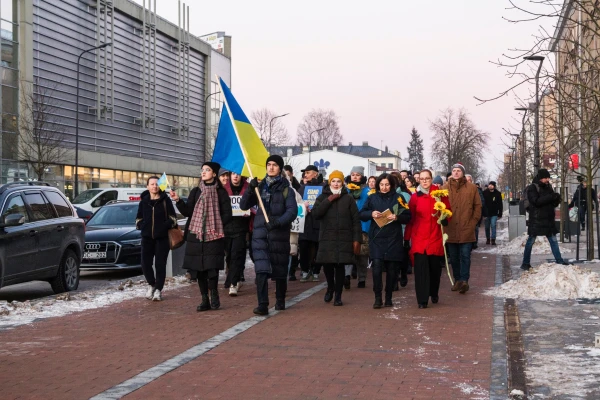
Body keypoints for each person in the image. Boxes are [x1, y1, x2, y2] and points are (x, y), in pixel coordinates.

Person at [240, 155, 297, 315]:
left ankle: (280, 299)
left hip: (278, 235)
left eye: (275, 165)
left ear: (280, 168)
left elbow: (292, 212)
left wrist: (277, 222)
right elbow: (244, 205)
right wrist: (250, 189)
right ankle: (263, 304)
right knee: (261, 270)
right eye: (269, 165)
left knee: (279, 270)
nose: (271, 168)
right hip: (260, 235)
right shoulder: (259, 187)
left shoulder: (287, 189)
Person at [172, 162, 232, 311]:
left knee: (212, 269)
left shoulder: (221, 192)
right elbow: (188, 212)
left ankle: (214, 295)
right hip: (196, 235)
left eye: (207, 170)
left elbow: (227, 214)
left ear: (214, 174)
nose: (203, 172)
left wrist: (215, 225)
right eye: (202, 170)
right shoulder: (196, 191)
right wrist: (178, 201)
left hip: (213, 235)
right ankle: (204, 299)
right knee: (199, 270)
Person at [360, 173, 411, 308]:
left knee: (392, 269)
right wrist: (371, 214)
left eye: (387, 184)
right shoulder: (372, 198)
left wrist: (397, 217)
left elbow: (408, 216)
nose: (384, 187)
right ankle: (377, 297)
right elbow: (362, 214)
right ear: (378, 185)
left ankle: (389, 297)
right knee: (376, 267)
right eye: (381, 184)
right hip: (377, 237)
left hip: (393, 238)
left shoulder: (398, 198)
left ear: (392, 185)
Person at [312, 170, 362, 306]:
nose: (335, 183)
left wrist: (357, 239)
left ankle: (338, 295)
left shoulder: (349, 198)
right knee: (327, 266)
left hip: (344, 238)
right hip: (327, 237)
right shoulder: (322, 197)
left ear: (342, 183)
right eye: (333, 181)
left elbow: (356, 220)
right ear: (329, 182)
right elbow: (316, 214)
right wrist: (328, 201)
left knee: (340, 267)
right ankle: (330, 287)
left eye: (338, 181)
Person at [404, 169, 450, 308]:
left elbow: (448, 210)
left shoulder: (439, 194)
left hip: (435, 236)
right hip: (419, 237)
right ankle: (422, 299)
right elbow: (410, 219)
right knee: (420, 269)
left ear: (431, 179)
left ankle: (433, 292)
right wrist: (406, 238)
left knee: (434, 269)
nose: (424, 181)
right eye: (422, 179)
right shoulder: (415, 197)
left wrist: (445, 218)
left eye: (427, 178)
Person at [136, 176, 178, 302]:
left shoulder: (166, 201)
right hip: (147, 238)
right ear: (147, 186)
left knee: (160, 265)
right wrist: (142, 226)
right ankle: (151, 284)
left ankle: (159, 290)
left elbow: (173, 218)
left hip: (162, 239)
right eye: (152, 184)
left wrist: (163, 227)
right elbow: (138, 218)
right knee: (145, 264)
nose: (155, 186)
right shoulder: (143, 202)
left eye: (157, 184)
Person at [521, 169, 570, 271]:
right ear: (540, 178)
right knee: (531, 240)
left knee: (553, 240)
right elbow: (536, 201)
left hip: (548, 219)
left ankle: (559, 260)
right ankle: (525, 263)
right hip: (537, 219)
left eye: (548, 178)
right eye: (545, 178)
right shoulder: (532, 188)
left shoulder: (548, 187)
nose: (547, 180)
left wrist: (556, 199)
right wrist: (550, 197)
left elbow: (551, 202)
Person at [443, 163, 481, 294]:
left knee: (465, 255)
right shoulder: (445, 188)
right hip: (451, 228)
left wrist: (473, 222)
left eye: (458, 170)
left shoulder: (471, 188)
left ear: (463, 173)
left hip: (466, 228)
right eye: (454, 170)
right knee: (453, 257)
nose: (456, 173)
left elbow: (478, 206)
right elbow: (440, 205)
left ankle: (464, 280)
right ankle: (457, 279)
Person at [223, 172, 251, 296]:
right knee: (229, 256)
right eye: (233, 174)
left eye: (238, 174)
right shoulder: (224, 190)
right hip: (227, 227)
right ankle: (234, 277)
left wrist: (249, 211)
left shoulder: (248, 188)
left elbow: (254, 204)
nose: (235, 176)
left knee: (237, 254)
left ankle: (233, 283)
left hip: (241, 227)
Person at [297, 165, 324, 282]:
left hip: (319, 223)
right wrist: (303, 207)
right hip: (305, 223)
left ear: (315, 174)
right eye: (305, 173)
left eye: (308, 172)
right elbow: (296, 203)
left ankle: (316, 271)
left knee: (319, 248)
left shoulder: (324, 187)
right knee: (303, 248)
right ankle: (304, 270)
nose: (305, 175)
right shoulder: (302, 188)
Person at [346, 166, 370, 288]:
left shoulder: (367, 191)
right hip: (347, 226)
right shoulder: (346, 190)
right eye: (353, 174)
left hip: (363, 225)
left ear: (362, 176)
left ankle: (362, 278)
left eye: (358, 174)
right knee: (348, 252)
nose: (355, 177)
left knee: (362, 253)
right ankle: (347, 275)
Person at [483, 181, 503, 245]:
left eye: (492, 185)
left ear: (494, 186)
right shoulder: (485, 193)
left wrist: (500, 213)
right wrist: (483, 212)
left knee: (493, 225)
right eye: (489, 185)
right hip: (486, 213)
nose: (490, 186)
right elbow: (482, 203)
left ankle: (493, 239)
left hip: (494, 213)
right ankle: (488, 239)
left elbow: (500, 204)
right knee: (487, 227)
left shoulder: (498, 193)